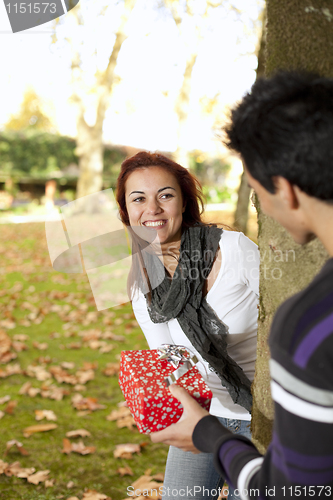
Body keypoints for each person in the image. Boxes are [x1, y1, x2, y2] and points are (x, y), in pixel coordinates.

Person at [149, 71, 333, 500]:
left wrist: (209, 436)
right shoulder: (138, 275)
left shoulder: (308, 325)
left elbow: (293, 491)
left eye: (256, 191)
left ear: (284, 191)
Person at [116, 151, 260, 499]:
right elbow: (168, 361)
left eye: (165, 195)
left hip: (265, 415)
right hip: (202, 415)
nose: (152, 209)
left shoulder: (234, 249)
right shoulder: (142, 281)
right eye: (139, 199)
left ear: (184, 201)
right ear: (126, 212)